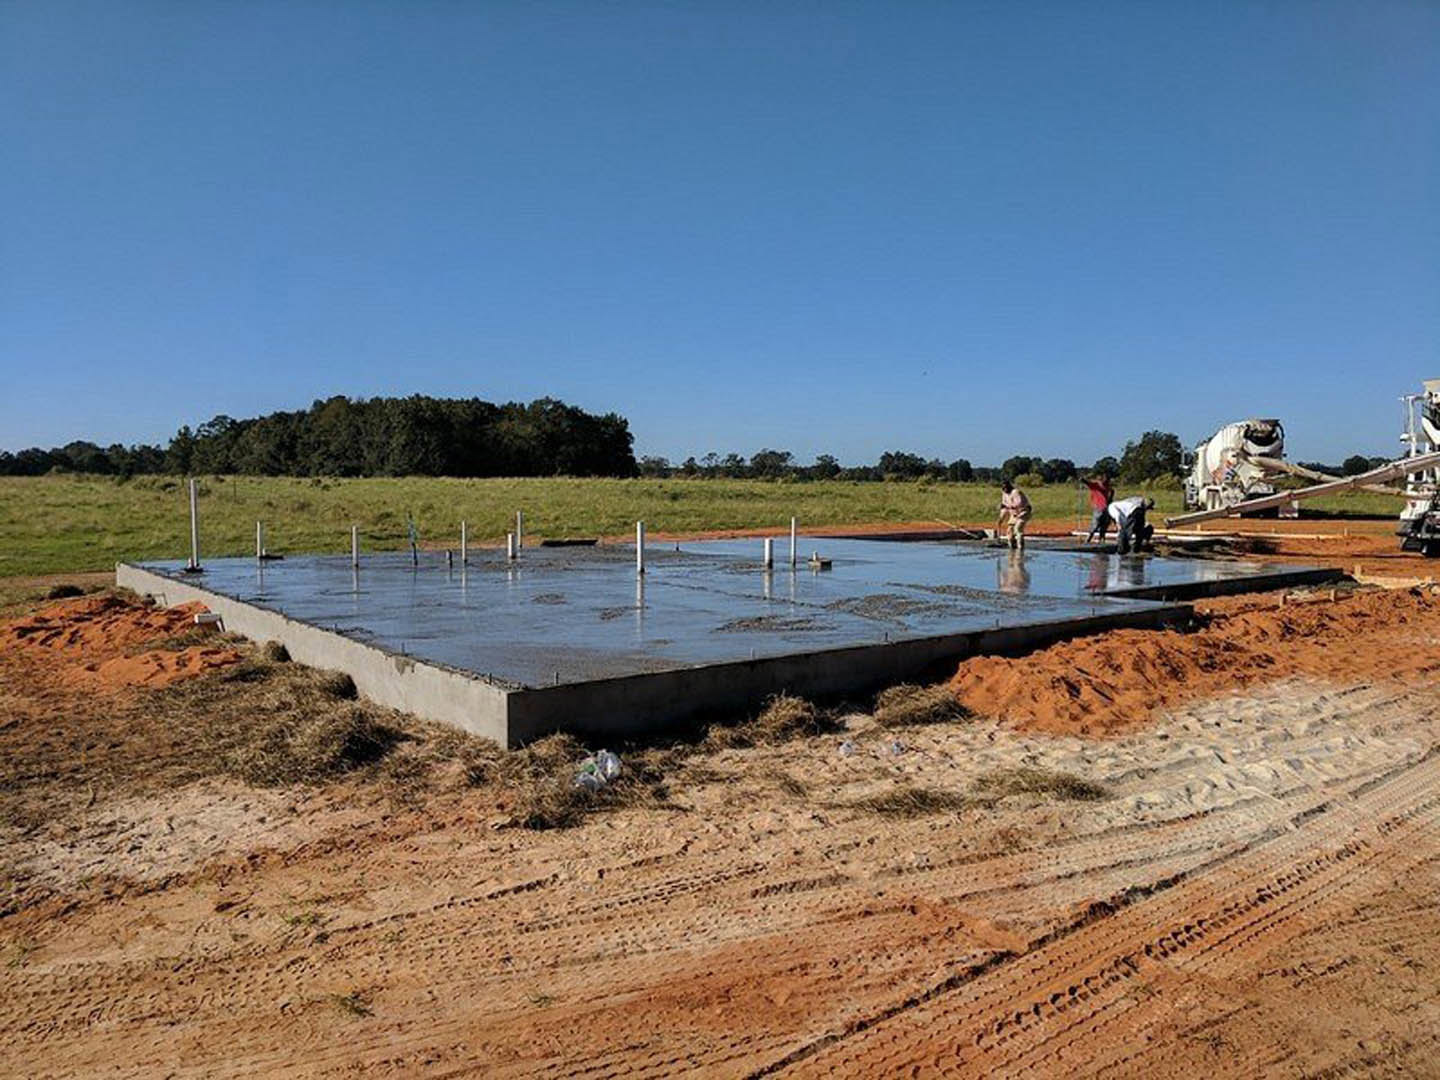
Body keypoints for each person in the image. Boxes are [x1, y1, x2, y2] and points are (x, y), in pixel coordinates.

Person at [996, 480, 1032, 550]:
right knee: (1009, 531)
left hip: (1023, 512)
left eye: (1006, 488)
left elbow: (1019, 504)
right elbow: (1004, 507)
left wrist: (1007, 506)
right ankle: (1012, 547)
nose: (1005, 490)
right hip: (1014, 514)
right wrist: (1001, 519)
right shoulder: (1004, 494)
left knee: (1018, 529)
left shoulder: (1016, 492)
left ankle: (1020, 548)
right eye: (1003, 488)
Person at [1082, 472, 1115, 543]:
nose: (1107, 481)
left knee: (1104, 525)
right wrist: (1083, 479)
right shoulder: (1096, 486)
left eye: (1108, 480)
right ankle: (1088, 540)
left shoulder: (1108, 488)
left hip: (1106, 509)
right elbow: (1087, 483)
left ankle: (1101, 540)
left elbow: (1110, 498)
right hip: (1099, 508)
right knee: (1095, 525)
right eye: (1106, 479)